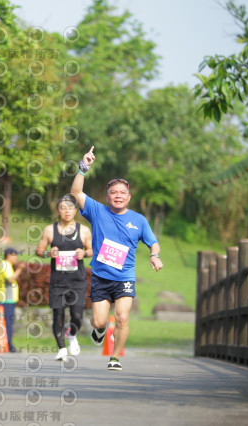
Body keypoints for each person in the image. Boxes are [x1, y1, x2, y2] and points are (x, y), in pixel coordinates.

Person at [70, 146, 163, 371]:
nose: (118, 196)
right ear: (108, 196)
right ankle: (99, 332)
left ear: (129, 197)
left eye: (122, 193)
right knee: (99, 321)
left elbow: (153, 242)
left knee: (122, 318)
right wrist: (84, 167)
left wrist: (154, 255)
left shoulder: (139, 220)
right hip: (102, 276)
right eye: (114, 192)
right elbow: (76, 194)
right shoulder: (97, 211)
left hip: (125, 277)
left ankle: (115, 357)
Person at [36, 194, 93, 361]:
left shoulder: (83, 230)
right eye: (63, 208)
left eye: (70, 208)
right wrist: (48, 252)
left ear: (75, 211)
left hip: (77, 281)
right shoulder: (49, 230)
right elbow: (39, 250)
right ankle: (61, 348)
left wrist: (85, 253)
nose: (66, 211)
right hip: (58, 281)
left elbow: (92, 250)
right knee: (58, 314)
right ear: (57, 210)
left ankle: (72, 335)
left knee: (77, 316)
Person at [0, 247, 25, 352]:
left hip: (5, 298)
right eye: (15, 255)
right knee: (7, 323)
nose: (17, 257)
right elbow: (11, 279)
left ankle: (4, 345)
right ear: (9, 255)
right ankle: (9, 346)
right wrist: (20, 269)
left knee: (3, 323)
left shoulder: (4, 265)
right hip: (6, 299)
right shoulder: (5, 265)